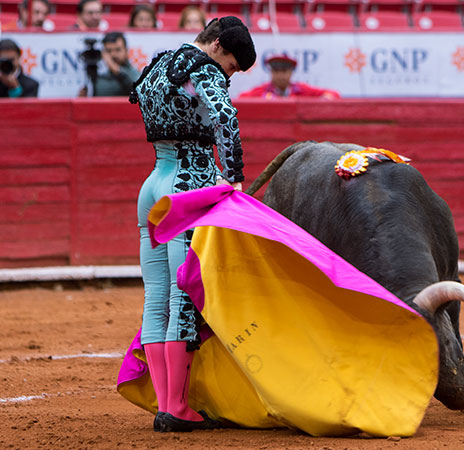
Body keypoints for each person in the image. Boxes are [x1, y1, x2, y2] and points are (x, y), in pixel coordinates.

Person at [129, 16, 256, 432]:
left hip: (153, 187)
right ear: (217, 45)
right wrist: (233, 177)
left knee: (157, 297)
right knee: (182, 296)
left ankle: (167, 405)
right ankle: (178, 407)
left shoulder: (159, 64)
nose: (229, 76)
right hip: (188, 189)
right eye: (232, 66)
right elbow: (225, 119)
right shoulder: (203, 69)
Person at [239, 54, 340, 99]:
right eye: (276, 71)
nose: (280, 75)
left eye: (284, 71)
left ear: (291, 72)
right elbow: (241, 99)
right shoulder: (261, 91)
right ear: (271, 72)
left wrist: (323, 100)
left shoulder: (301, 90)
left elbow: (333, 94)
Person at [79, 32, 140, 97]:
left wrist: (115, 68)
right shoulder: (99, 77)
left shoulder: (134, 73)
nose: (113, 55)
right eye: (108, 51)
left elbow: (138, 90)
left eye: (118, 50)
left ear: (126, 50)